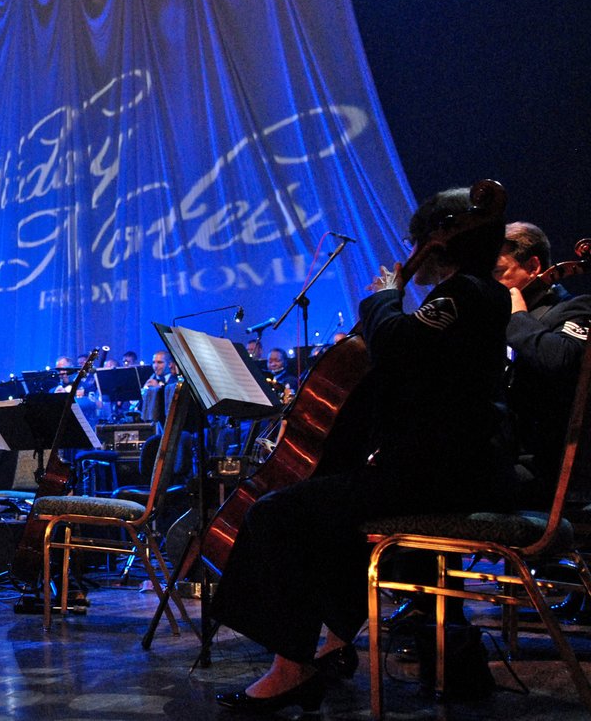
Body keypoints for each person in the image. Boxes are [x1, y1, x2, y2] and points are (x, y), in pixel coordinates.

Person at [209, 188, 515, 713]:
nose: (411, 252)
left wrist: (384, 295)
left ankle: (291, 668)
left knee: (276, 513)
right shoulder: (474, 296)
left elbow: (395, 343)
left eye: (416, 241)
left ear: (440, 240)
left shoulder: (466, 294)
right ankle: (332, 643)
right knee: (330, 518)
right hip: (447, 472)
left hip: (439, 479)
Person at [494, 221, 591, 506]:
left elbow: (561, 360)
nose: (491, 282)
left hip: (547, 472)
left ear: (533, 266)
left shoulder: (577, 308)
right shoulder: (495, 322)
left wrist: (517, 318)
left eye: (498, 272)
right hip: (507, 462)